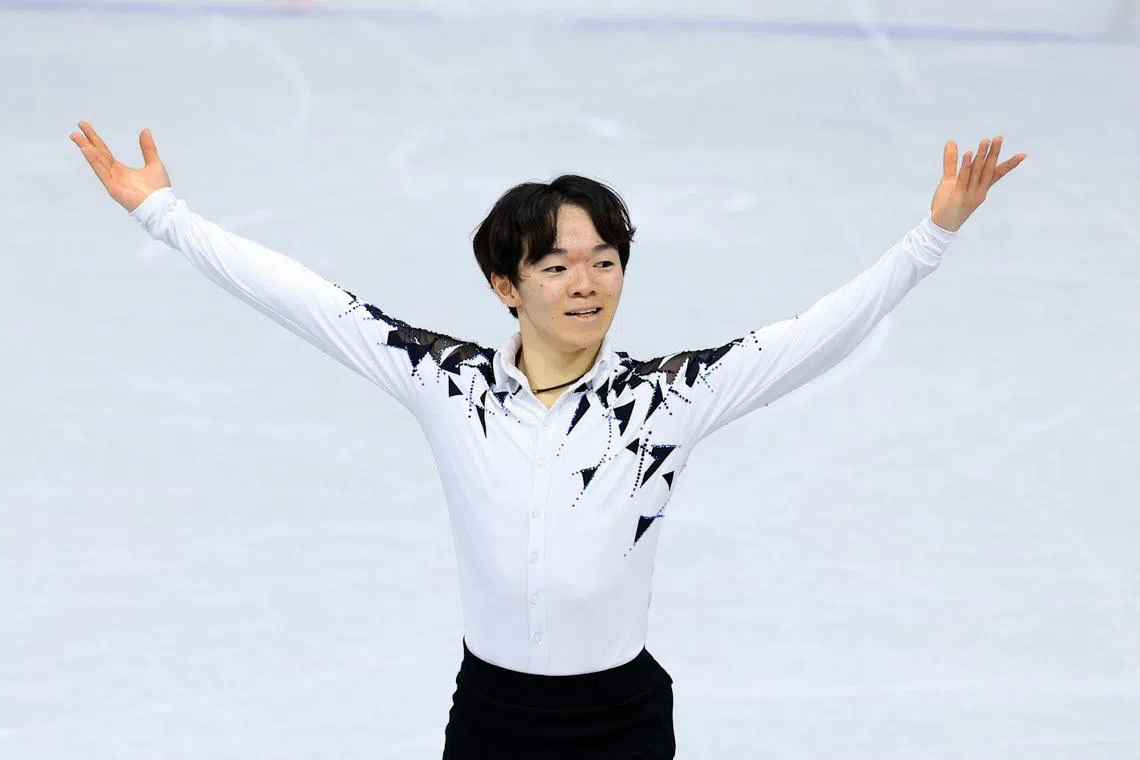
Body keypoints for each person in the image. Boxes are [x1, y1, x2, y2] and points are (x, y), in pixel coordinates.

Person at [71, 121, 1024, 759]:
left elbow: (818, 335)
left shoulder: (668, 399)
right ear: (506, 284)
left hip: (621, 719)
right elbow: (309, 301)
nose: (587, 282)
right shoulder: (446, 383)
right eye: (559, 262)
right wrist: (163, 213)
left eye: (605, 261)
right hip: (493, 717)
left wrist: (929, 239)